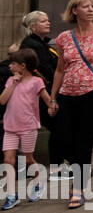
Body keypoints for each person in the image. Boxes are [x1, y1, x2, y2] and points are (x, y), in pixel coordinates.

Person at [50, 0, 93, 209]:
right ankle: (82, 168)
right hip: (67, 94)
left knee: (84, 140)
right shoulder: (64, 38)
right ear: (74, 10)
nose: (91, 9)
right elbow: (60, 69)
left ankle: (77, 189)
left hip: (92, 94)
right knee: (63, 138)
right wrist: (52, 96)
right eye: (86, 6)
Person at [2, 48, 57, 209]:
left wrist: (51, 107)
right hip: (10, 126)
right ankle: (12, 195)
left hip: (28, 126)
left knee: (27, 159)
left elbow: (48, 100)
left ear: (23, 66)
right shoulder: (10, 81)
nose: (10, 66)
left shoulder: (36, 82)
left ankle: (39, 182)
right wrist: (13, 83)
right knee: (8, 160)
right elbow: (2, 100)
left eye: (13, 63)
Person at [19, 10, 63, 176]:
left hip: (44, 94)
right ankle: (58, 167)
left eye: (47, 20)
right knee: (59, 128)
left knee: (59, 128)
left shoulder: (42, 43)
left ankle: (62, 165)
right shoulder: (33, 45)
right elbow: (46, 71)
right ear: (33, 26)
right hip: (40, 96)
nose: (48, 23)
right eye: (43, 21)